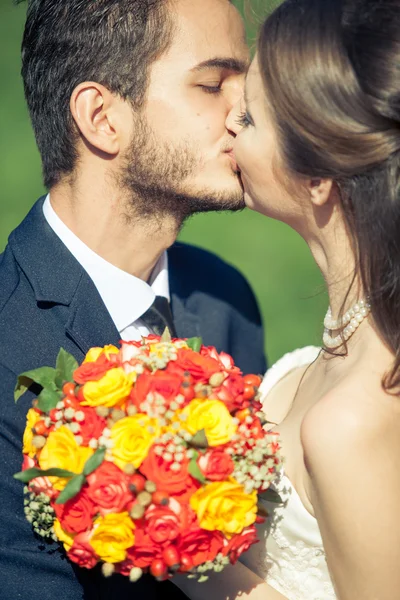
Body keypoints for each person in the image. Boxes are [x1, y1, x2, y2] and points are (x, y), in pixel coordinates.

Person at [0, 1, 267, 599]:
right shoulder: (6, 340)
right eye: (212, 84)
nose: (244, 113)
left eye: (244, 84)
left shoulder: (226, 298)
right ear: (102, 117)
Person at [174, 0, 400, 599]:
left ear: (318, 178)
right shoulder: (327, 364)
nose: (226, 124)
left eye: (248, 119)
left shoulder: (350, 422)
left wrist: (170, 536)